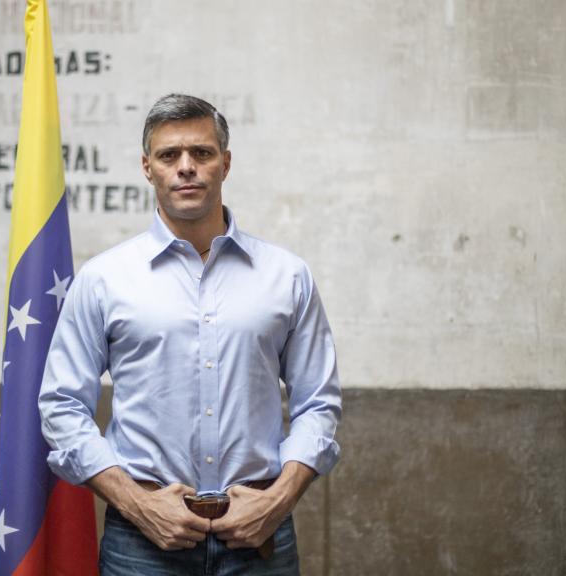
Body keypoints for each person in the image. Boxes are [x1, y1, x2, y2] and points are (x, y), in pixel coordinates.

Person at [38, 94, 341, 575]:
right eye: (168, 155)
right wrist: (138, 505)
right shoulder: (104, 279)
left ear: (225, 162)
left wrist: (278, 500)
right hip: (142, 543)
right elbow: (61, 406)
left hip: (261, 534)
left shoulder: (287, 276)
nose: (186, 168)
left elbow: (318, 404)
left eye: (201, 153)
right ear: (147, 167)